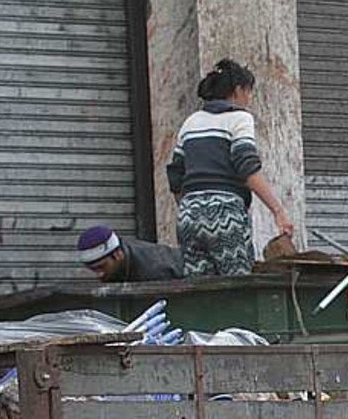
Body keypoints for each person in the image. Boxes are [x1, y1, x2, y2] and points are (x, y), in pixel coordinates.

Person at [166, 58, 294, 279]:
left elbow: (175, 176)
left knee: (201, 293)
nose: (250, 98)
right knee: (238, 288)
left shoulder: (190, 122)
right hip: (225, 213)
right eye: (249, 91)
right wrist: (278, 211)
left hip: (188, 215)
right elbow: (246, 167)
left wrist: (195, 207)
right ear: (238, 90)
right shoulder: (239, 118)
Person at [75, 225, 182, 283]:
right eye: (93, 269)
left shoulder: (155, 269)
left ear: (118, 255)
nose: (99, 274)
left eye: (102, 267)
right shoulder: (117, 268)